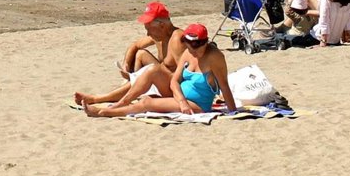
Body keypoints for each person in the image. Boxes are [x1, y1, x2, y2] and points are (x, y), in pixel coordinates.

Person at [83, 23, 237, 118]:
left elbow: (224, 86)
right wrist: (181, 101)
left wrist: (233, 112)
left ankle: (103, 112)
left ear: (205, 43)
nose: (194, 52)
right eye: (190, 49)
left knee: (147, 102)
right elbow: (174, 81)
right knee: (153, 71)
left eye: (197, 49)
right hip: (181, 98)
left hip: (197, 105)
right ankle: (122, 102)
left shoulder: (215, 57)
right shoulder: (187, 53)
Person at [73, 1, 187, 107]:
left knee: (151, 71)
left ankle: (99, 98)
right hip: (161, 77)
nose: (148, 33)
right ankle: (134, 88)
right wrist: (126, 65)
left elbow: (185, 75)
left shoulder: (177, 39)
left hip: (172, 87)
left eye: (149, 29)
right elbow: (135, 45)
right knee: (141, 54)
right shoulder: (159, 36)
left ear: (162, 25)